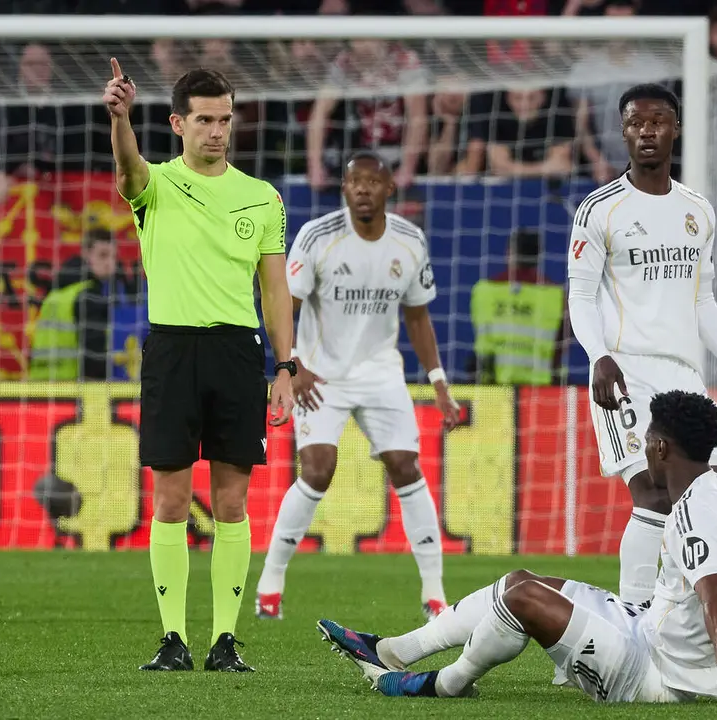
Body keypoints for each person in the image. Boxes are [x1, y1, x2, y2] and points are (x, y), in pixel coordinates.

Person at [316, 390, 717, 706]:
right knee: (520, 582)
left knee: (522, 602)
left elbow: (714, 591)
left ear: (661, 448)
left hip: (658, 676)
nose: (642, 450)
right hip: (647, 632)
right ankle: (396, 650)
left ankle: (446, 683)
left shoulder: (691, 513)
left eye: (646, 442)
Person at [103, 58, 296, 673]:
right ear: (178, 124)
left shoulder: (262, 198)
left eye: (225, 119)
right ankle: (172, 640)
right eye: (205, 120)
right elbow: (128, 167)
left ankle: (224, 642)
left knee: (233, 503)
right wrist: (121, 119)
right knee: (169, 499)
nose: (218, 130)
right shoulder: (154, 184)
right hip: (171, 350)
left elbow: (275, 291)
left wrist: (286, 366)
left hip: (238, 352)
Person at [566, 83, 717, 607]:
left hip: (684, 373)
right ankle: (631, 618)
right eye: (635, 123)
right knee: (653, 492)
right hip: (625, 370)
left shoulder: (698, 210)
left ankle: (673, 617)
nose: (647, 131)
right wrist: (599, 357)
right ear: (624, 132)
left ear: (675, 128)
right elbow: (580, 296)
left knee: (710, 496)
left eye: (657, 121)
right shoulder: (599, 209)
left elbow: (702, 300)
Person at [256, 151, 461, 621]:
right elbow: (285, 303)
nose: (364, 189)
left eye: (373, 181)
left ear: (391, 188)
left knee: (407, 466)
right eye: (355, 182)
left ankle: (434, 595)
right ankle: (271, 583)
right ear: (344, 190)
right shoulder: (318, 236)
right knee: (318, 468)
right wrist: (293, 365)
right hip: (320, 372)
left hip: (380, 372)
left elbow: (417, 316)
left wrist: (439, 383)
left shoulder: (410, 241)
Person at [469, 229, 566, 385]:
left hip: (493, 390)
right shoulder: (556, 296)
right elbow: (562, 344)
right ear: (538, 256)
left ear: (509, 253)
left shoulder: (484, 291)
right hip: (541, 389)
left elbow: (481, 346)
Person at [29, 230, 123, 381]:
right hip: (72, 388)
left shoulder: (55, 293)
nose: (109, 264)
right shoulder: (89, 293)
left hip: (39, 385)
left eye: (113, 257)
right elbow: (93, 351)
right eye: (103, 255)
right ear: (86, 254)